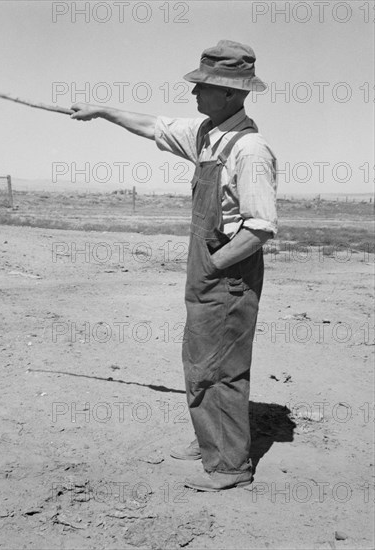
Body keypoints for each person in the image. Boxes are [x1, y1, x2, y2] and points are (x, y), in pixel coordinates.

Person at [70, 40, 277, 491]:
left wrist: (215, 265)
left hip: (228, 271)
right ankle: (210, 442)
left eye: (203, 86)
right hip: (209, 269)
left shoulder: (249, 150)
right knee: (199, 357)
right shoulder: (208, 135)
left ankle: (229, 467)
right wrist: (102, 110)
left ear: (231, 94)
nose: (195, 93)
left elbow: (260, 228)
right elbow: (153, 125)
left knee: (223, 367)